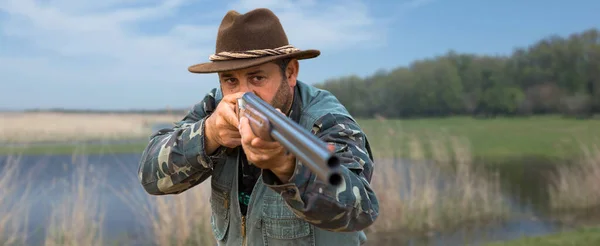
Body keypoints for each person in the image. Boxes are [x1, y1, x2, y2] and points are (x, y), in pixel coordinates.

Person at [137, 8, 379, 246]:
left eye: (257, 78)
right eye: (230, 80)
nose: (242, 94)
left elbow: (361, 211)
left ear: (291, 72)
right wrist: (209, 134)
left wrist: (287, 166)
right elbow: (149, 176)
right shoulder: (215, 105)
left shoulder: (326, 120)